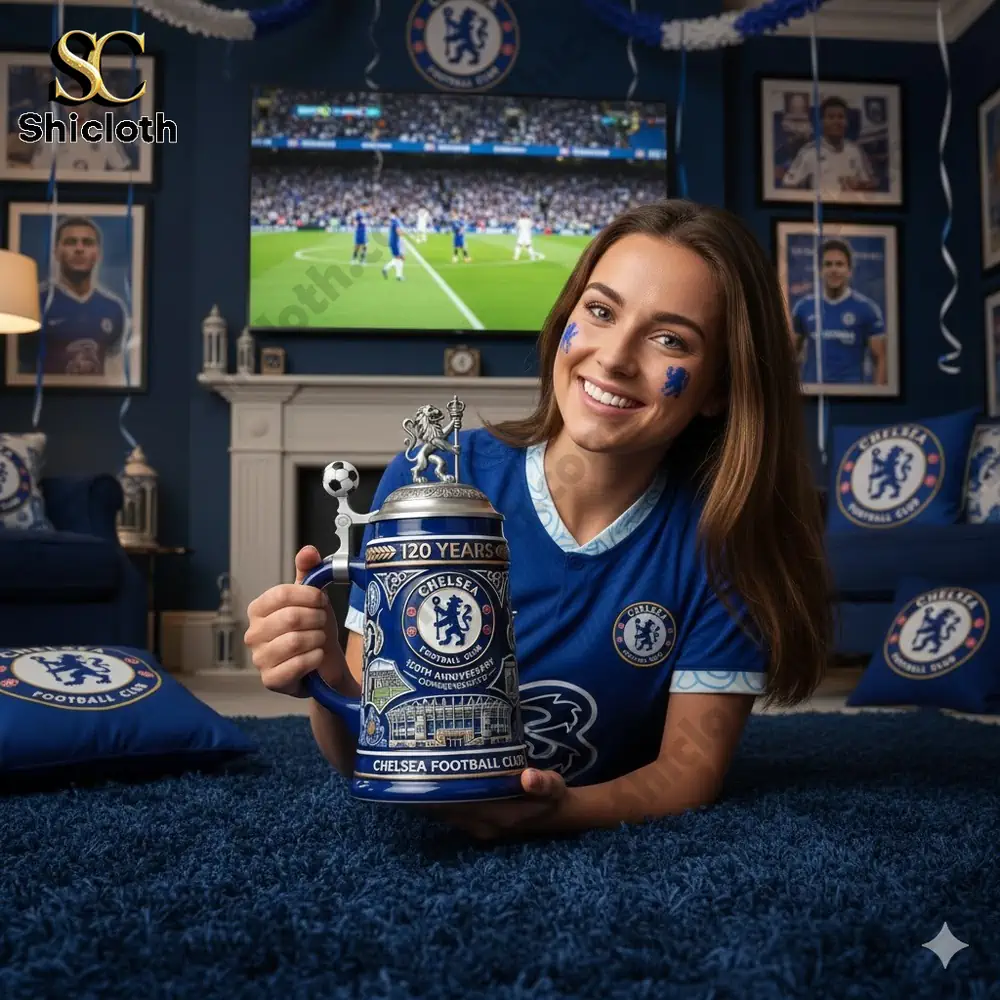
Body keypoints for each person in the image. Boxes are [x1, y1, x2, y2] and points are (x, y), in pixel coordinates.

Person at [245, 200, 832, 841]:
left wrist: (561, 813)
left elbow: (690, 769)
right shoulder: (435, 475)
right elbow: (365, 748)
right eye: (601, 312)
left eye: (670, 339)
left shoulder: (723, 538)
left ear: (719, 387)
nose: (613, 358)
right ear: (565, 322)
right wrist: (324, 668)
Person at [18, 215, 129, 379]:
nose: (79, 248)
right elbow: (18, 368)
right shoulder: (35, 301)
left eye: (87, 242)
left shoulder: (114, 308)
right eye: (70, 242)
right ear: (56, 251)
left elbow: (115, 373)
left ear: (98, 253)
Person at [792, 238, 887, 385]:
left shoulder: (867, 309)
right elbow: (790, 355)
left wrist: (877, 401)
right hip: (812, 394)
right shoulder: (804, 307)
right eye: (828, 264)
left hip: (852, 397)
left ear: (849, 270)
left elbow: (881, 359)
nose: (834, 269)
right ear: (820, 270)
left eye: (839, 264)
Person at [780, 96, 876, 196]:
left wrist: (857, 186)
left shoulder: (856, 151)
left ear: (846, 122)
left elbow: (870, 185)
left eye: (840, 117)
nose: (836, 122)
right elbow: (788, 185)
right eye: (831, 117)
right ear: (822, 122)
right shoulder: (809, 152)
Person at [381, 207, 405, 281]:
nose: (399, 212)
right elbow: (398, 231)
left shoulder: (392, 220)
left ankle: (387, 269)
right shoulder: (395, 220)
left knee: (400, 258)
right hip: (395, 242)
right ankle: (398, 276)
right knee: (399, 258)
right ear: (396, 211)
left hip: (394, 241)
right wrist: (403, 233)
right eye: (398, 210)